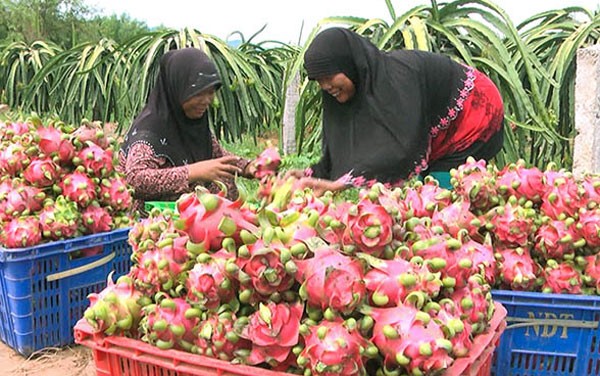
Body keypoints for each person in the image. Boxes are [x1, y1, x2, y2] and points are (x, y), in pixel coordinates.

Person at [295, 27, 505, 195]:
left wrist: (340, 185)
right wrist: (312, 174)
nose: (325, 86)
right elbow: (346, 147)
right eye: (319, 80)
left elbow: (400, 149)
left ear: (349, 65)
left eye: (329, 76)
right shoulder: (362, 89)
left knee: (443, 192)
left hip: (476, 111)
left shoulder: (395, 81)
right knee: (429, 190)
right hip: (444, 127)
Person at [119, 48, 256, 213]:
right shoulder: (150, 130)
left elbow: (218, 155)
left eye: (210, 93)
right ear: (178, 89)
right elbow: (136, 179)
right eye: (198, 94)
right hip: (159, 225)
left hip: (198, 223)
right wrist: (192, 172)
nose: (206, 101)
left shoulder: (192, 123)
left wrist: (248, 167)